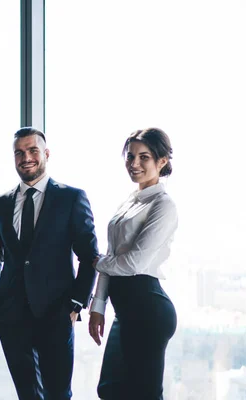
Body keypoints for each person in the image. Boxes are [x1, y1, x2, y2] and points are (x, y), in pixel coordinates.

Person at [0, 127, 99, 400]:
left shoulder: (71, 198)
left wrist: (76, 304)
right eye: (19, 153)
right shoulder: (0, 203)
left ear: (46, 154)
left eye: (33, 150)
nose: (26, 157)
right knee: (26, 394)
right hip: (11, 314)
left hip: (56, 312)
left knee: (58, 394)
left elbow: (89, 255)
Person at [88, 127, 177, 400]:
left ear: (161, 162)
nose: (134, 164)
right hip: (125, 312)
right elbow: (111, 255)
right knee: (110, 390)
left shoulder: (163, 205)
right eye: (130, 157)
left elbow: (134, 263)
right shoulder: (128, 203)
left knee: (143, 394)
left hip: (148, 309)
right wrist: (98, 306)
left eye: (144, 157)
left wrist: (98, 262)